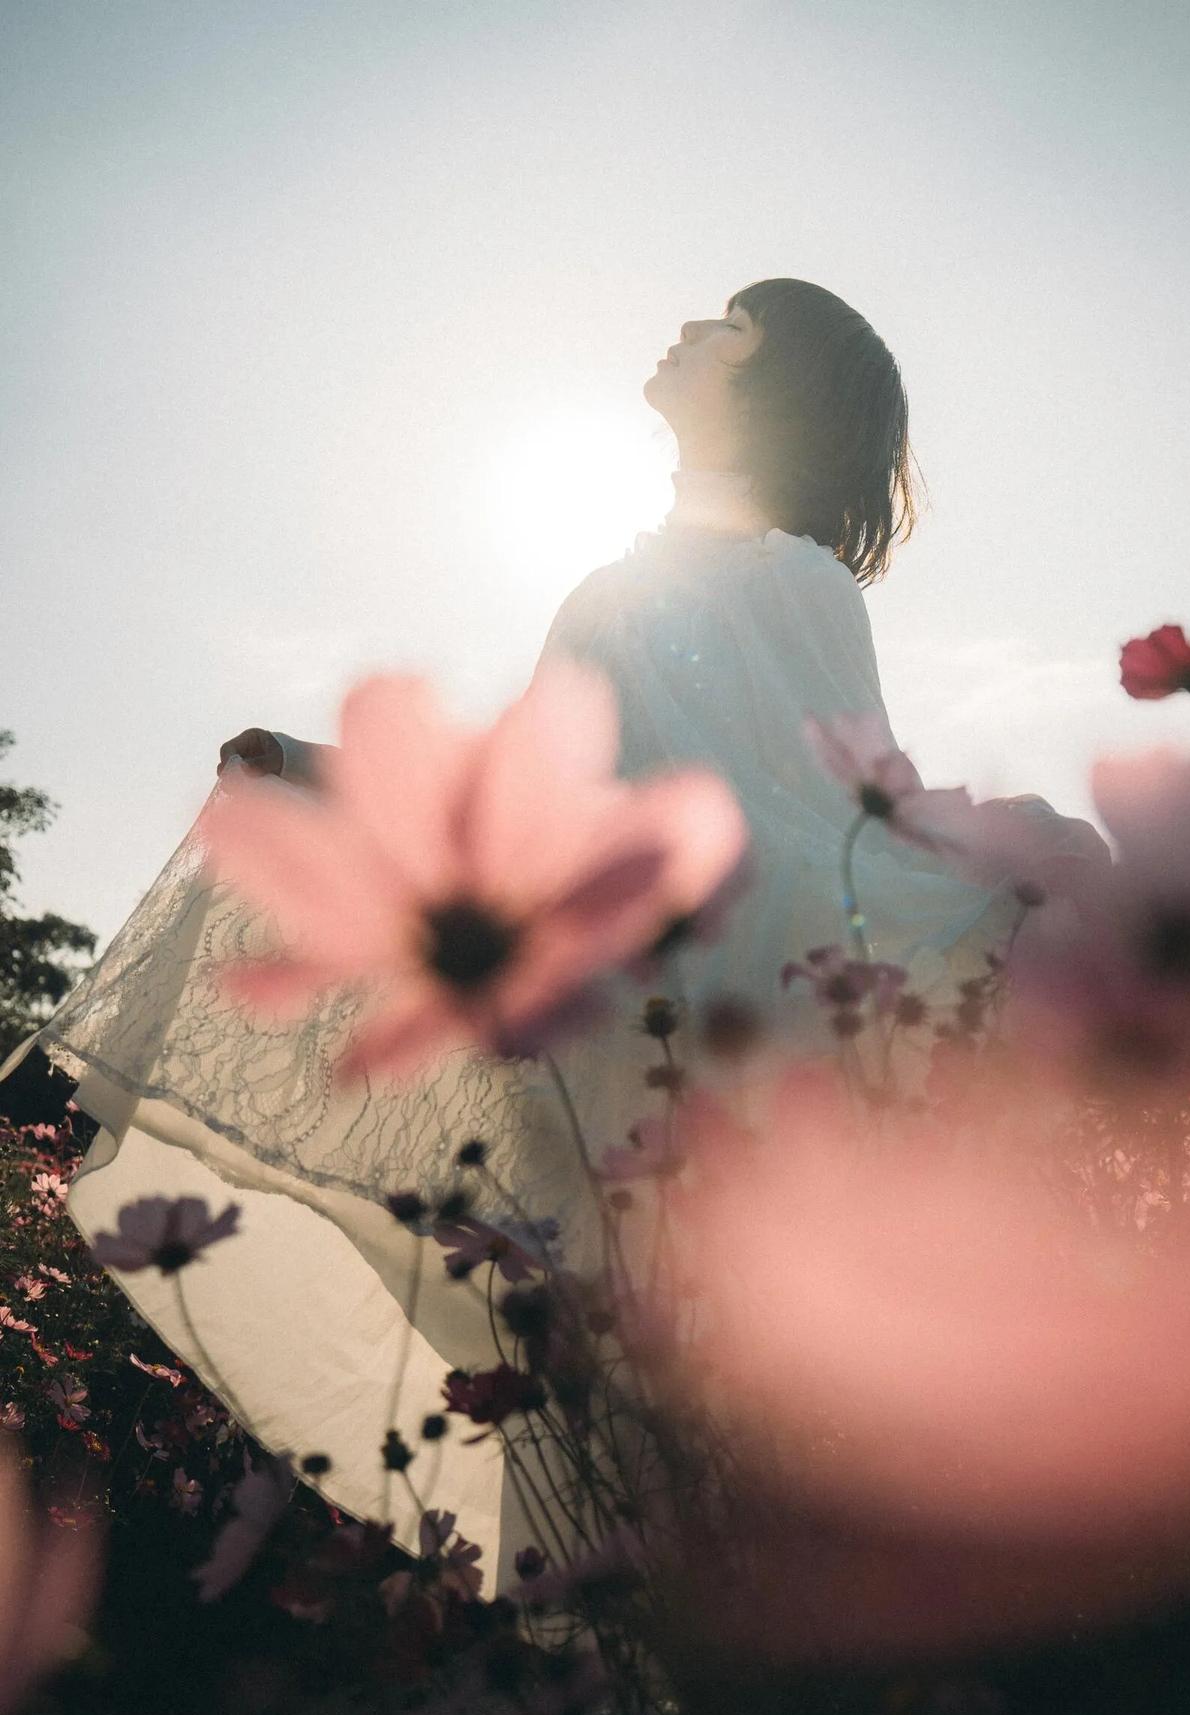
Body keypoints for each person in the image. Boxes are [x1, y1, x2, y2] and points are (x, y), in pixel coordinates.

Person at [0, 279, 1068, 1582]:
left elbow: (821, 836)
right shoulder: (614, 584)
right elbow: (514, 807)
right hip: (582, 1100)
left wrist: (997, 885)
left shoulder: (796, 583)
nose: (694, 323)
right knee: (614, 1505)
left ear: (780, 385)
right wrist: (313, 772)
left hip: (700, 1080)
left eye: (738, 320)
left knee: (731, 1494)